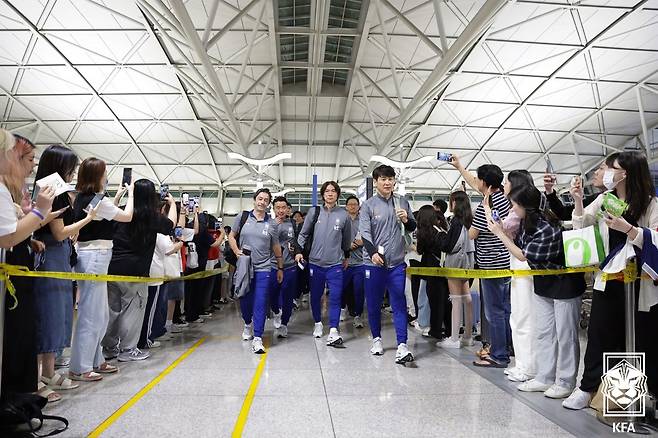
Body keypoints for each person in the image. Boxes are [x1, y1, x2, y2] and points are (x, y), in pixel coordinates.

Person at [563, 151, 658, 409]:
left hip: (640, 284)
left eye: (609, 167)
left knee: (640, 339)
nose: (604, 172)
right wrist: (579, 201)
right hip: (608, 280)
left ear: (624, 173)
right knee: (599, 335)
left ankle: (637, 395)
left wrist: (628, 228)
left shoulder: (650, 204)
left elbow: (655, 239)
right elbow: (581, 225)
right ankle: (587, 388)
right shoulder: (606, 199)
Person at [489, 185, 585, 398]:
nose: (512, 209)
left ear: (525, 206)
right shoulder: (526, 224)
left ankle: (566, 382)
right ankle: (544, 377)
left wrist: (500, 234)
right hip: (543, 282)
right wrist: (503, 230)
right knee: (543, 332)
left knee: (566, 335)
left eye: (514, 205)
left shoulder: (546, 228)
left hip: (564, 284)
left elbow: (523, 256)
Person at [33, 145, 100, 401]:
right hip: (49, 257)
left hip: (61, 257)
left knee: (61, 313)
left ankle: (49, 372)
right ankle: (37, 376)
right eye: (71, 167)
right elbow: (59, 232)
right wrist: (87, 219)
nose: (73, 173)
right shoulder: (48, 191)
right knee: (48, 314)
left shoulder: (60, 192)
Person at [0, 131, 61, 402]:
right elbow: (8, 236)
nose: (30, 165)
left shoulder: (11, 187)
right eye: (25, 157)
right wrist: (40, 212)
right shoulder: (4, 187)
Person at [68, 158, 134, 382]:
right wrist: (131, 194)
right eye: (105, 172)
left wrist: (116, 196)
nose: (107, 176)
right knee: (91, 314)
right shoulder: (95, 200)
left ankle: (95, 360)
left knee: (99, 313)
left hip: (95, 256)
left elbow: (105, 211)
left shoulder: (85, 199)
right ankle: (80, 366)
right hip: (95, 256)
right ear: (97, 175)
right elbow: (126, 216)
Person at [101, 179, 176, 362]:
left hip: (113, 267)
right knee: (133, 310)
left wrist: (119, 196)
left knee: (112, 311)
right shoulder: (149, 215)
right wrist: (172, 204)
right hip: (135, 271)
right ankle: (128, 349)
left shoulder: (123, 213)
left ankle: (109, 348)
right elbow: (170, 225)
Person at [450, 156, 512, 368]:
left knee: (493, 311)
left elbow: (473, 234)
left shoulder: (487, 205)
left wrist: (465, 215)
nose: (476, 182)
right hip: (505, 262)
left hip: (490, 265)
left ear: (486, 183)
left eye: (479, 180)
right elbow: (476, 183)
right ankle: (503, 348)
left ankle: (499, 355)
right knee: (504, 309)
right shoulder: (503, 197)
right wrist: (459, 166)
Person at [360, 165, 417, 364]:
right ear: (375, 182)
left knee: (398, 303)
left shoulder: (402, 202)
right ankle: (376, 339)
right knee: (374, 303)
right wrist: (373, 253)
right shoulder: (368, 205)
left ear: (394, 181)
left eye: (390, 179)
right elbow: (365, 234)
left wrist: (407, 220)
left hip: (396, 264)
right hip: (374, 264)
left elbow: (412, 227)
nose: (387, 182)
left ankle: (402, 345)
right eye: (383, 179)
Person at [489, 170, 536, 382]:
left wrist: (497, 227)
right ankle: (522, 364)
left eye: (507, 181)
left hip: (522, 266)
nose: (504, 184)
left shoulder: (520, 212)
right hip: (514, 264)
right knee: (516, 316)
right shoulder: (514, 209)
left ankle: (527, 366)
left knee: (524, 317)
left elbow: (507, 235)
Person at [295, 181, 351, 346]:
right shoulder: (314, 212)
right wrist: (298, 251)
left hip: (335, 264)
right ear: (323, 194)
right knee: (316, 295)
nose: (330, 193)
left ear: (337, 194)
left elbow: (346, 239)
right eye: (327, 191)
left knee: (335, 296)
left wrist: (346, 256)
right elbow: (303, 234)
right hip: (315, 263)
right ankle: (318, 323)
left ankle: (333, 329)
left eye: (333, 191)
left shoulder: (344, 215)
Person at [229, 188, 283, 354]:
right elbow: (231, 235)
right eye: (260, 199)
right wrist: (237, 251)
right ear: (254, 200)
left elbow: (275, 245)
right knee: (245, 298)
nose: (262, 202)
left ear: (269, 204)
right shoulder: (243, 217)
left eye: (266, 200)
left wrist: (280, 266)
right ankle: (247, 324)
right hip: (245, 266)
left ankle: (258, 337)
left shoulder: (271, 223)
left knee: (260, 301)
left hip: (264, 267)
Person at [420, 190, 476, 349]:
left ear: (455, 203)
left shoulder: (457, 222)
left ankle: (454, 338)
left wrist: (439, 234)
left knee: (456, 299)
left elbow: (448, 246)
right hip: (467, 263)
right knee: (467, 298)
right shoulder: (468, 221)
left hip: (455, 264)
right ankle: (467, 336)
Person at [544, 154, 618, 220]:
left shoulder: (615, 200)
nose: (596, 172)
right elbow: (564, 213)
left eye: (601, 168)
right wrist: (549, 190)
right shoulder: (598, 198)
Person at [269, 196, 298, 338]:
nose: (281, 210)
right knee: (272, 295)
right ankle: (276, 312)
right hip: (272, 266)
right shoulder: (268, 224)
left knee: (288, 297)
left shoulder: (292, 223)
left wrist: (297, 253)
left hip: (290, 266)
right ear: (273, 209)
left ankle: (284, 324)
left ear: (288, 209)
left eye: (283, 207)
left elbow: (295, 242)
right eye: (278, 207)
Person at [342, 195, 365, 329]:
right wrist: (346, 246)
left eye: (355, 204)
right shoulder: (342, 220)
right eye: (350, 204)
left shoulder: (363, 220)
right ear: (346, 206)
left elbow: (367, 236)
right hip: (343, 262)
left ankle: (358, 316)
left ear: (358, 206)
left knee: (359, 290)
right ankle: (341, 310)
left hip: (360, 263)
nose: (352, 206)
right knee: (341, 289)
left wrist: (357, 243)